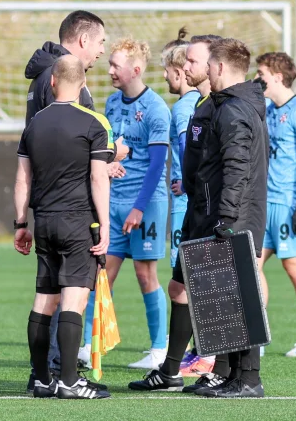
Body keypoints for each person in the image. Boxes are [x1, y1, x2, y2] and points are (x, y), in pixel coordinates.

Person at [128, 36, 269, 398]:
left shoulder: (234, 109)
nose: (195, 68)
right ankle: (228, 375)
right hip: (207, 212)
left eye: (199, 62)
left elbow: (237, 168)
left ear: (218, 67)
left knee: (236, 294)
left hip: (227, 215)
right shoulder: (220, 105)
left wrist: (224, 216)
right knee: (218, 293)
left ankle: (245, 379)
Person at [23, 11, 126, 392]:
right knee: (71, 295)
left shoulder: (42, 76)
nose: (101, 52)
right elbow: (72, 146)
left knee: (47, 294)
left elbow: (41, 153)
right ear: (83, 41)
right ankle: (61, 375)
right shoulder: (67, 82)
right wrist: (107, 159)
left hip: (46, 207)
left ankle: (45, 375)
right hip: (73, 209)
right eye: (100, 43)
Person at [79, 37, 171, 370]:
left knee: (146, 275)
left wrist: (138, 207)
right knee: (102, 273)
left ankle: (159, 349)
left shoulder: (158, 109)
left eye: (115, 65)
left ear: (135, 69)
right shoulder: (113, 103)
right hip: (113, 202)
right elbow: (107, 148)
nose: (110, 70)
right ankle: (90, 344)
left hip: (145, 204)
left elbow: (157, 164)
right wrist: (107, 163)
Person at [256, 52, 296, 357]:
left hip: (287, 202)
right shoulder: (267, 109)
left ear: (278, 77)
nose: (258, 79)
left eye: (262, 74)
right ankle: (258, 334)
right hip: (262, 204)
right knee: (251, 267)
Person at [162, 39, 215, 377]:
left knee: (188, 282)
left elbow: (187, 151)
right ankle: (199, 352)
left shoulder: (185, 108)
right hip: (190, 201)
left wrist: (187, 181)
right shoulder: (196, 103)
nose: (165, 77)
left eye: (167, 70)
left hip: (188, 206)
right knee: (185, 283)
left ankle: (204, 354)